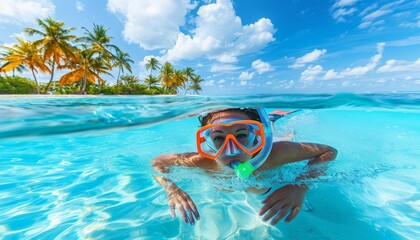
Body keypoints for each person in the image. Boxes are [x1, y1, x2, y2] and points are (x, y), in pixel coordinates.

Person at [152, 108, 337, 225]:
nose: (231, 150)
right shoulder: (202, 162)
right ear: (208, 141)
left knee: (286, 138)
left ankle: (275, 125)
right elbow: (156, 164)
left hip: (274, 142)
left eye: (241, 135)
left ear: (257, 136)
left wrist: (300, 186)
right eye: (218, 138)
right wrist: (172, 189)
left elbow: (329, 152)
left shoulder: (275, 154)